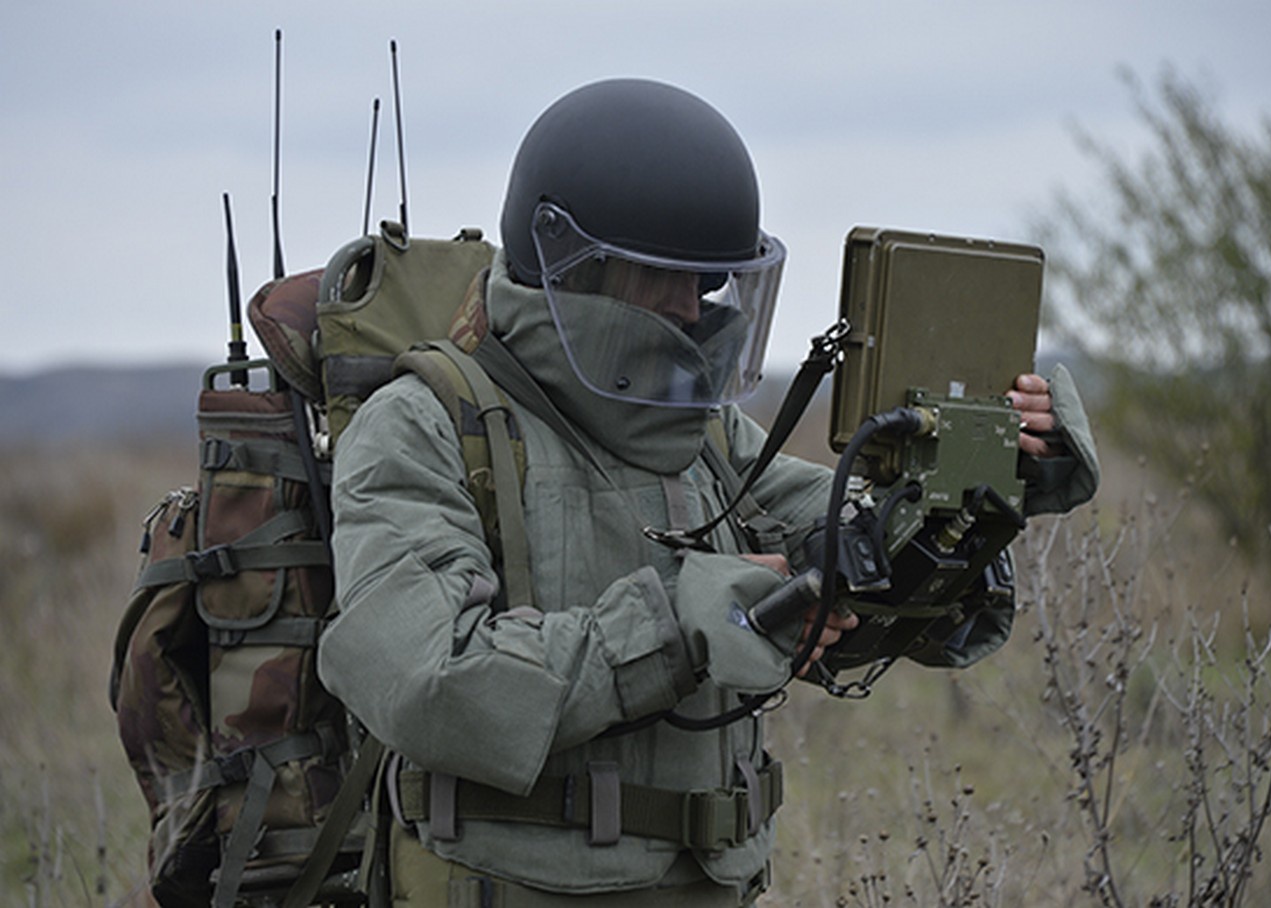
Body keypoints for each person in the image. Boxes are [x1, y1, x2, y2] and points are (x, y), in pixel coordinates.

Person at [317, 78, 1097, 906]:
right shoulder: (422, 424)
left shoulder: (708, 440)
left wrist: (983, 489)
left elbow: (847, 556)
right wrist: (676, 620)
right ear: (577, 263)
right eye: (668, 278)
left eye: (713, 284)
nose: (695, 311)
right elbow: (430, 685)